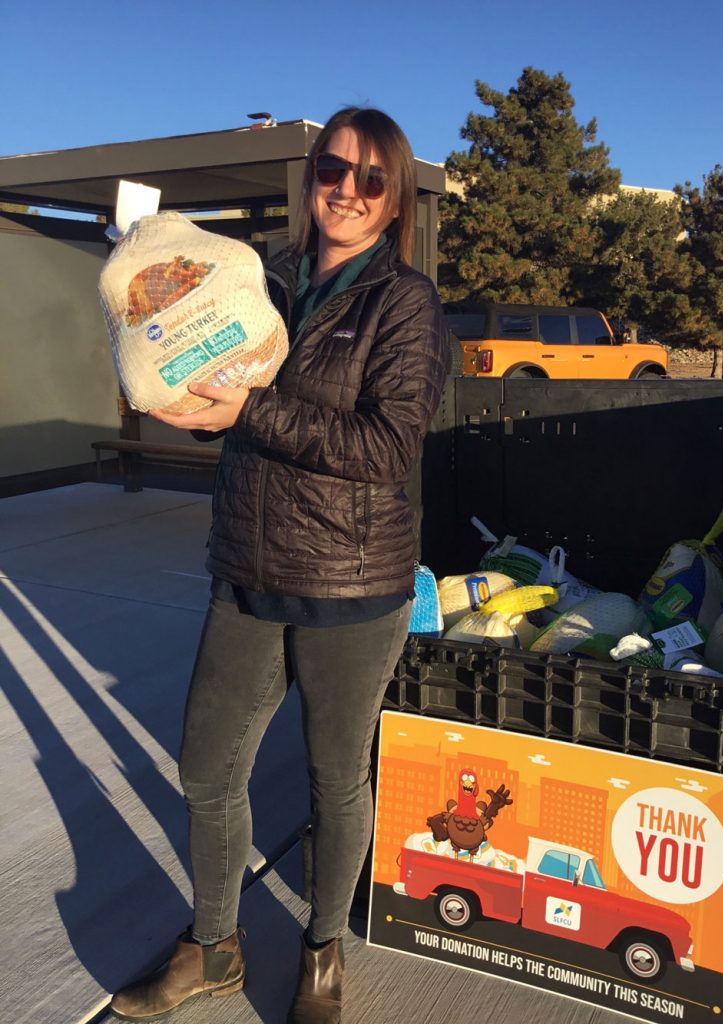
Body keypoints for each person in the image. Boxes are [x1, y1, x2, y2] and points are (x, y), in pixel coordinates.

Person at [109, 106, 450, 1024]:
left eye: (370, 178)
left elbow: (385, 447)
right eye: (332, 168)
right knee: (206, 767)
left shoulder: (403, 301)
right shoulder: (259, 277)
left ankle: (322, 955)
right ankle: (214, 947)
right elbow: (184, 345)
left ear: (394, 200)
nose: (346, 188)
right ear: (312, 176)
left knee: (336, 778)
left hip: (350, 584)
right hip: (249, 569)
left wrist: (246, 414)